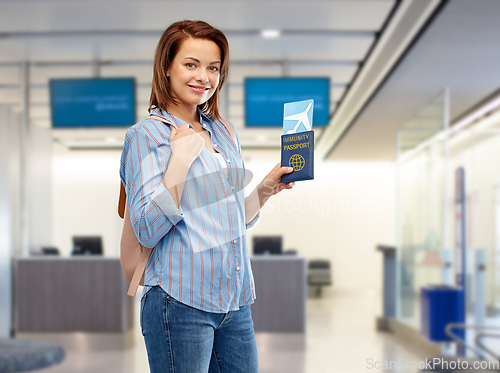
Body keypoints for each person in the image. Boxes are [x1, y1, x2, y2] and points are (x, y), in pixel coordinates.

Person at [119, 20, 295, 373]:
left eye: (213, 68)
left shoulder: (225, 132)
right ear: (166, 68)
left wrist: (264, 189)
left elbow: (229, 220)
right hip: (178, 300)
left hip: (235, 300)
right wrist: (180, 162)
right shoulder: (146, 135)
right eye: (191, 64)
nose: (204, 77)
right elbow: (146, 228)